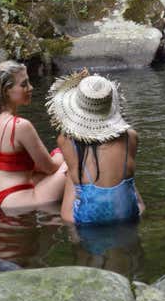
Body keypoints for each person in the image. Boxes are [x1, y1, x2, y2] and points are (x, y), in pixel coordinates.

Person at [46, 72, 145, 225]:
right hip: (129, 213)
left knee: (71, 171)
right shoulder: (130, 136)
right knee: (126, 177)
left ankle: (77, 242)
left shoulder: (65, 140)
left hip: (86, 218)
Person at [0, 60, 67, 209]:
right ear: (6, 91)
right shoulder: (20, 125)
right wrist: (63, 153)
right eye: (24, 84)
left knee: (43, 171)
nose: (31, 88)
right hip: (15, 200)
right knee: (76, 159)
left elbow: (18, 165)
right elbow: (50, 168)